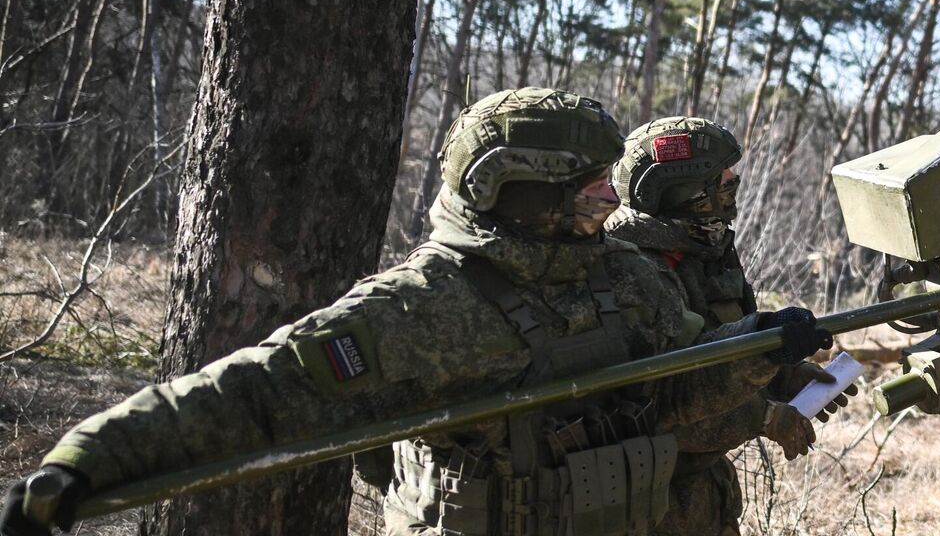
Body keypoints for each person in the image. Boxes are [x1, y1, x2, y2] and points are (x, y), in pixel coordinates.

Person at [0, 88, 833, 536]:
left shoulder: (623, 275)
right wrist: (84, 461)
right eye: (586, 186)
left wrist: (752, 353)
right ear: (520, 191)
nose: (609, 201)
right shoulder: (425, 307)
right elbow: (252, 392)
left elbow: (675, 397)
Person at [604, 116, 852, 536]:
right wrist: (764, 416)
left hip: (701, 491)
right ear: (683, 191)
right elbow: (661, 403)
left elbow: (728, 345)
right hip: (636, 501)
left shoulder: (705, 248)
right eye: (720, 177)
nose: (733, 182)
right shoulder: (630, 268)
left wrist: (785, 374)